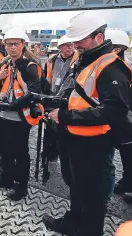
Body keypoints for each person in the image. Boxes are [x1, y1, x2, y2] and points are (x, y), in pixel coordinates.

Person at [46, 11, 131, 236]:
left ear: (98, 37)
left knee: (93, 198)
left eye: (80, 40)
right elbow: (83, 97)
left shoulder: (111, 67)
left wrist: (66, 116)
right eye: (74, 40)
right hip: (77, 138)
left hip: (96, 144)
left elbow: (113, 112)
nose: (75, 45)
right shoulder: (87, 60)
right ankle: (72, 223)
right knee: (77, 187)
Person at [0, 27, 43, 201]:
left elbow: (33, 94)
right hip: (3, 114)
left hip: (20, 117)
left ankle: (22, 186)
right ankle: (6, 177)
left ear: (23, 45)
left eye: (16, 44)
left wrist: (10, 106)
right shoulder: (5, 63)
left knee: (20, 152)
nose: (12, 47)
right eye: (9, 44)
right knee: (4, 149)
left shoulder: (30, 66)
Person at [42, 35, 79, 186]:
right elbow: (46, 78)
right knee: (49, 127)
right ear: (60, 47)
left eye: (71, 45)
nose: (69, 48)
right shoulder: (51, 60)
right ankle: (49, 153)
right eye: (65, 45)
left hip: (68, 100)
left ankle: (59, 153)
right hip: (52, 96)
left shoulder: (79, 60)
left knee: (62, 128)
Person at [105, 28, 132, 196]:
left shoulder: (123, 70)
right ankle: (126, 182)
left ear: (116, 50)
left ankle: (127, 183)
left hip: (125, 121)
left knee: (127, 154)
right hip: (117, 119)